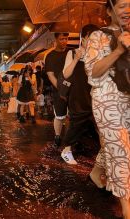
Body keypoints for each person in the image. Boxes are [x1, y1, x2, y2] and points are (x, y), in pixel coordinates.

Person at [84, 0, 130, 217]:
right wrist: (119, 50)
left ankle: (96, 172)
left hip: (128, 98)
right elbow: (93, 72)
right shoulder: (97, 36)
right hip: (106, 100)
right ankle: (127, 208)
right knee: (122, 151)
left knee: (116, 143)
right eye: (122, 5)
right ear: (110, 10)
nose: (128, 10)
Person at [60, 24, 100, 165]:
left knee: (98, 123)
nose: (95, 41)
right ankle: (66, 150)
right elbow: (66, 74)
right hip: (77, 94)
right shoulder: (72, 53)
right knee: (76, 122)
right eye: (91, 37)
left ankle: (104, 155)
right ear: (83, 38)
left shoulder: (98, 54)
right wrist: (77, 59)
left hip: (94, 93)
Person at [45, 32, 69, 146]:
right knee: (59, 115)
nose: (64, 41)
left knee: (72, 115)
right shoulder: (50, 56)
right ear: (56, 39)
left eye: (66, 38)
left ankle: (70, 139)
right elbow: (50, 75)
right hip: (58, 90)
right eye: (61, 39)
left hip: (72, 89)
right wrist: (61, 89)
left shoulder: (71, 53)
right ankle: (58, 136)